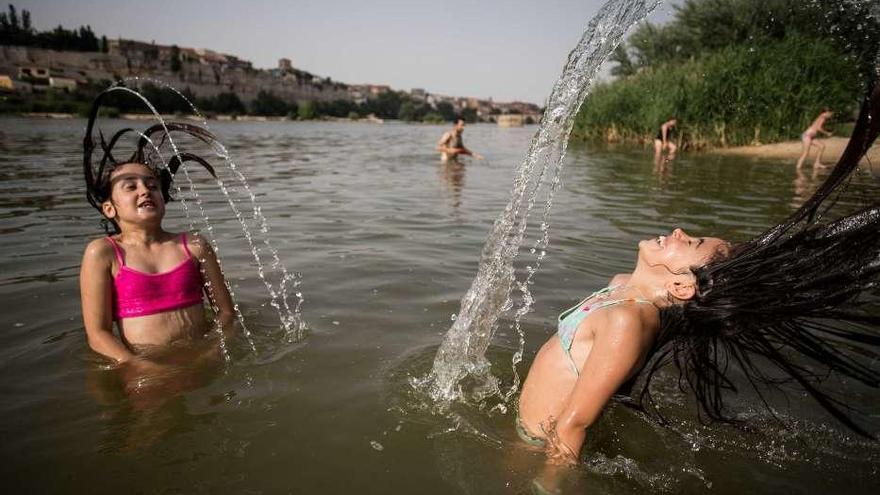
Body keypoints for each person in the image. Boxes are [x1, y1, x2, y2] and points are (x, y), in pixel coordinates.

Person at [518, 82, 880, 463]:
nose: (678, 231)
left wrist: (548, 483)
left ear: (681, 284)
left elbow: (571, 428)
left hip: (543, 447)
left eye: (689, 242)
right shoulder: (622, 287)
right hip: (537, 432)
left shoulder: (627, 320)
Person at [79, 91, 235, 380]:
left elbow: (226, 314)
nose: (144, 190)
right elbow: (98, 333)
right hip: (142, 371)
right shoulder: (102, 254)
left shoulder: (195, 246)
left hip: (201, 362)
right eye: (130, 185)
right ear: (109, 208)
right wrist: (138, 366)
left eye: (151, 184)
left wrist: (212, 350)